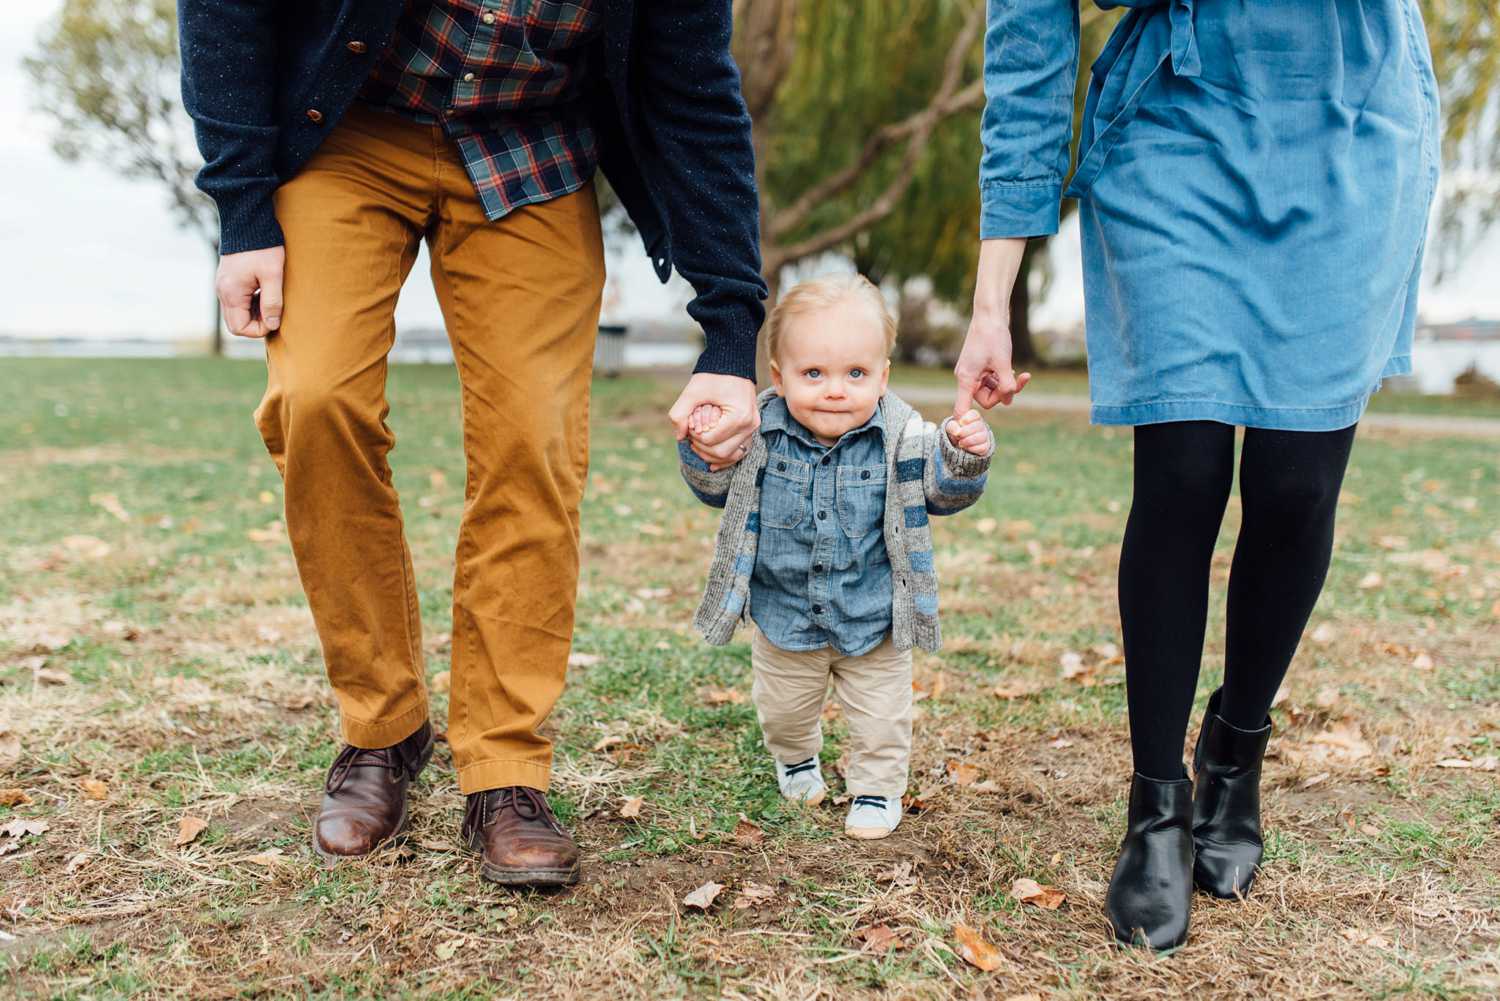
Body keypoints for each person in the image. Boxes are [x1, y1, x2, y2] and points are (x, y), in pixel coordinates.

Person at [177, 0, 767, 888]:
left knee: (534, 437)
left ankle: (505, 771)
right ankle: (383, 729)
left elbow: (691, 93)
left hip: (532, 144)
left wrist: (729, 327)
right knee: (315, 399)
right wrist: (245, 210)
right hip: (351, 125)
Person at [959, 0, 1439, 948]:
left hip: (1351, 115)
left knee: (1298, 486)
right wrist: (992, 293)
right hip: (1173, 125)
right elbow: (1030, 34)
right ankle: (1157, 805)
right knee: (1181, 470)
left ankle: (1236, 747)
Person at [679, 275, 994, 840]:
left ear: (883, 376)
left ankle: (876, 789)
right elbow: (713, 487)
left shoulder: (905, 437)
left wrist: (963, 456)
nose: (835, 390)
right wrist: (705, 446)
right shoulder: (757, 435)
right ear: (778, 376)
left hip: (874, 618)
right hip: (785, 618)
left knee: (882, 718)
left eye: (856, 373)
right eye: (813, 374)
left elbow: (945, 495)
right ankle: (796, 758)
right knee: (784, 713)